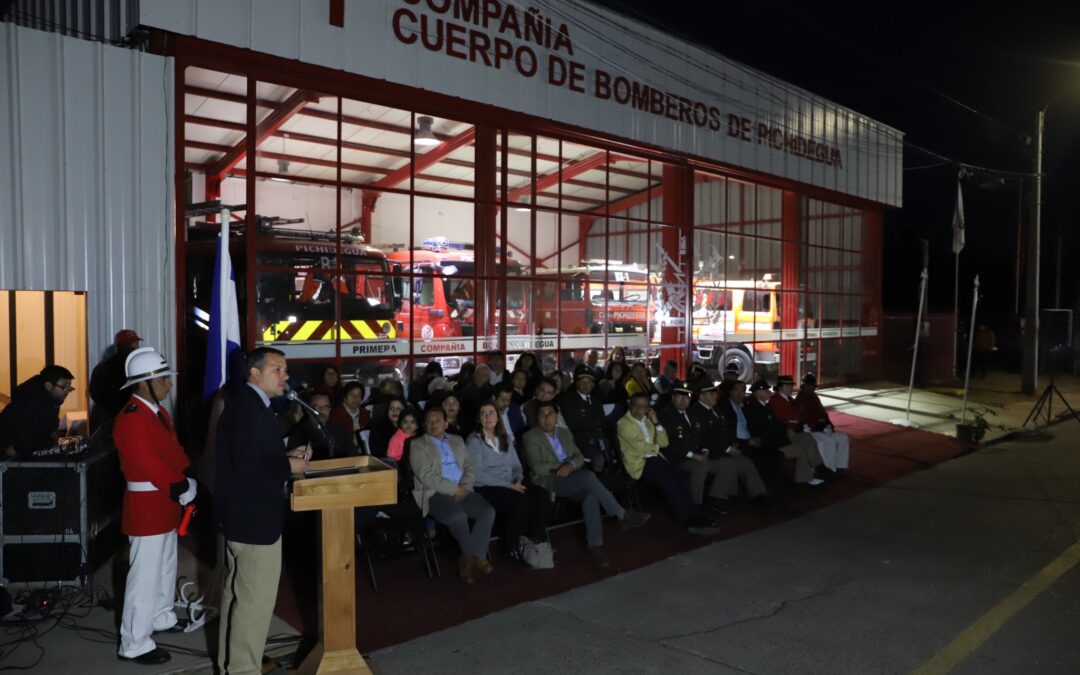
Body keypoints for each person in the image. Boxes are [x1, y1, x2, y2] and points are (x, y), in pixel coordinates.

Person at [215, 347, 311, 675]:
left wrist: (285, 456)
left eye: (285, 370)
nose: (286, 376)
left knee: (236, 600)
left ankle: (230, 668)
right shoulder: (248, 409)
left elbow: (252, 455)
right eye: (277, 369)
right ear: (255, 373)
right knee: (252, 607)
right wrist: (288, 466)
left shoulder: (250, 404)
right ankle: (242, 670)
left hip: (244, 519)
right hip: (254, 522)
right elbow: (248, 467)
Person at [114, 348, 193, 666]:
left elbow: (172, 451)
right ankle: (134, 642)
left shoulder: (157, 413)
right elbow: (147, 463)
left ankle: (160, 616)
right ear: (143, 383)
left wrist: (188, 473)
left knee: (165, 567)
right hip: (148, 505)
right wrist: (180, 485)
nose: (169, 385)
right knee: (144, 576)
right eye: (163, 379)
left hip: (165, 503)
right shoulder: (131, 418)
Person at [521, 401, 648, 567]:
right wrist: (562, 467)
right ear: (537, 417)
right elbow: (537, 467)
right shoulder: (530, 437)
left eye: (550, 413)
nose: (547, 418)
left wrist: (570, 465)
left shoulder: (565, 433)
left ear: (556, 416)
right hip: (550, 480)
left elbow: (579, 457)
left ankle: (594, 546)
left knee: (590, 494)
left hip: (573, 476)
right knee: (588, 477)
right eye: (542, 414)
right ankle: (621, 514)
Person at [410, 406, 495, 584]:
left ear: (446, 423)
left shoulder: (457, 440)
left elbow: (470, 466)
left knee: (487, 512)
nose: (433, 424)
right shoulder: (418, 445)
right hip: (435, 493)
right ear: (424, 425)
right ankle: (475, 557)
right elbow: (426, 476)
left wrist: (464, 486)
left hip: (463, 488)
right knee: (458, 516)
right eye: (428, 422)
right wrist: (454, 490)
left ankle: (468, 557)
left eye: (437, 421)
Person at [466, 403, 553, 568]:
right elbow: (477, 476)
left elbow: (516, 466)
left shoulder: (504, 437)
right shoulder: (474, 440)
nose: (488, 417)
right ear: (478, 418)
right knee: (520, 499)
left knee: (540, 494)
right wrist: (508, 485)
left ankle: (536, 539)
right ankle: (512, 545)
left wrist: (517, 479)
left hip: (510, 483)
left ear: (497, 417)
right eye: (483, 413)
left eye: (491, 413)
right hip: (486, 486)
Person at [617, 393, 716, 534]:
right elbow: (640, 449)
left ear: (648, 408)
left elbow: (664, 442)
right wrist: (655, 446)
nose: (639, 409)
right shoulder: (623, 423)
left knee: (682, 479)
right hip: (640, 462)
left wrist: (656, 422)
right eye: (636, 405)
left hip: (655, 458)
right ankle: (685, 520)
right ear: (630, 405)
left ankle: (694, 514)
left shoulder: (647, 421)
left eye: (644, 406)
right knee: (669, 483)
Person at [658, 386, 740, 510]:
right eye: (680, 397)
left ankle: (716, 498)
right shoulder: (666, 415)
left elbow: (701, 436)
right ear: (673, 397)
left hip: (696, 455)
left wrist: (704, 450)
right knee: (700, 468)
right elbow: (669, 444)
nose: (683, 400)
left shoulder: (690, 414)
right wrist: (693, 455)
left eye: (687, 398)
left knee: (728, 464)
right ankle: (693, 505)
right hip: (678, 458)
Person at [688, 383, 769, 505]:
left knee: (745, 462)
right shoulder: (695, 413)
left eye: (715, 393)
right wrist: (727, 449)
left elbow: (727, 431)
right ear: (701, 396)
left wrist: (733, 444)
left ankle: (757, 494)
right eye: (711, 394)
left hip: (722, 447)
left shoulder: (715, 410)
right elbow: (704, 438)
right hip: (707, 451)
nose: (715, 396)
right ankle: (718, 497)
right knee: (730, 463)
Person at [744, 378, 824, 487]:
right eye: (766, 390)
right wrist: (786, 438)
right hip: (770, 445)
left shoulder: (765, 406)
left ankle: (817, 467)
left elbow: (778, 424)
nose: (769, 392)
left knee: (807, 437)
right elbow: (763, 433)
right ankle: (805, 478)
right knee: (801, 449)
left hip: (779, 438)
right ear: (759, 392)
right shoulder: (753, 409)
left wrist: (787, 429)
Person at [719, 380, 786, 487]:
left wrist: (756, 437)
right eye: (737, 390)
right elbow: (725, 433)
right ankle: (759, 488)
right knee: (760, 459)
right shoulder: (724, 408)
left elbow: (754, 424)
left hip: (751, 440)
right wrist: (746, 442)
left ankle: (768, 486)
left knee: (777, 455)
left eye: (743, 391)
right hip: (737, 443)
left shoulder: (745, 406)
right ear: (730, 391)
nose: (740, 394)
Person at [0, 364, 75, 459]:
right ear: (48, 386)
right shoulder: (32, 402)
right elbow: (22, 441)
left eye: (69, 388)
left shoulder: (47, 400)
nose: (67, 392)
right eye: (64, 387)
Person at [794, 374, 850, 475]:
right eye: (810, 386)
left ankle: (840, 465)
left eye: (813, 386)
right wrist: (819, 424)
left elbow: (823, 413)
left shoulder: (814, 396)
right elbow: (803, 419)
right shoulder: (800, 399)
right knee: (829, 441)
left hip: (821, 427)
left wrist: (828, 423)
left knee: (843, 438)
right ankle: (829, 469)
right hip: (811, 430)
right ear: (804, 386)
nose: (812, 388)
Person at [89, 328, 143, 428]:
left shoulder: (102, 366)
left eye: (136, 343)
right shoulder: (134, 366)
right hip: (125, 417)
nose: (136, 346)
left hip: (107, 416)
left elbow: (94, 391)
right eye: (134, 343)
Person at [558, 370, 609, 471]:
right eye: (582, 382)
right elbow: (572, 425)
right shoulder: (569, 400)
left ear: (593, 385)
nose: (585, 385)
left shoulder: (596, 400)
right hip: (581, 440)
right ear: (577, 383)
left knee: (608, 457)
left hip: (599, 438)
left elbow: (602, 422)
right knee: (598, 460)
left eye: (588, 382)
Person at [293, 391, 356, 461]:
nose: (321, 410)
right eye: (317, 406)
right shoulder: (299, 432)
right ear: (309, 409)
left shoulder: (338, 431)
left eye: (326, 406)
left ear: (330, 409)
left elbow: (353, 455)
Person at [329, 381, 370, 448]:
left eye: (359, 395)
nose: (355, 398)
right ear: (344, 397)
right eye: (351, 395)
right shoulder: (336, 414)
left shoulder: (365, 414)